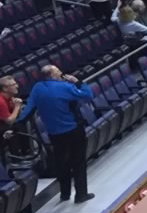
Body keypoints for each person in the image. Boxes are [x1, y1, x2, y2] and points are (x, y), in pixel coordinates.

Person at [14, 66, 94, 203]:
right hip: (73, 129)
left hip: (54, 133)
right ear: (52, 75)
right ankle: (81, 194)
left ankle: (65, 194)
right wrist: (77, 81)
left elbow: (27, 111)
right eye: (58, 71)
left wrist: (15, 126)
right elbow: (87, 95)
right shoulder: (65, 87)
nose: (61, 73)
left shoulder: (37, 88)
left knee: (61, 163)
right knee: (78, 162)